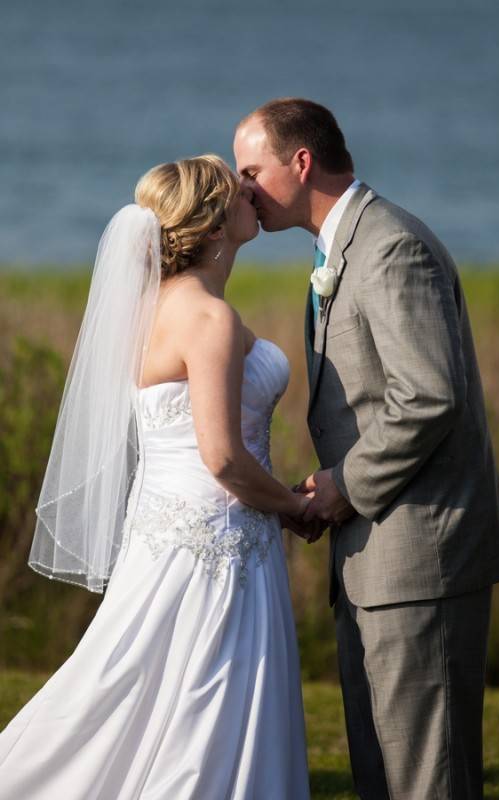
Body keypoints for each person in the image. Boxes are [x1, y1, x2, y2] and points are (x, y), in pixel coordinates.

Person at [234, 98, 499, 800]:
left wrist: (340, 487)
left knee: (427, 779)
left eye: (251, 170)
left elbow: (427, 396)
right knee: (381, 776)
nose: (240, 187)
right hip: (374, 559)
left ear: (300, 163)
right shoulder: (339, 247)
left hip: (420, 561)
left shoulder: (390, 245)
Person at [0, 155, 311, 799]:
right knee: (201, 698)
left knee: (131, 685)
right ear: (215, 224)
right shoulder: (208, 319)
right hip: (218, 544)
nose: (250, 193)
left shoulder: (152, 310)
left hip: (169, 531)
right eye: (236, 191)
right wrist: (293, 506)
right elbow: (222, 458)